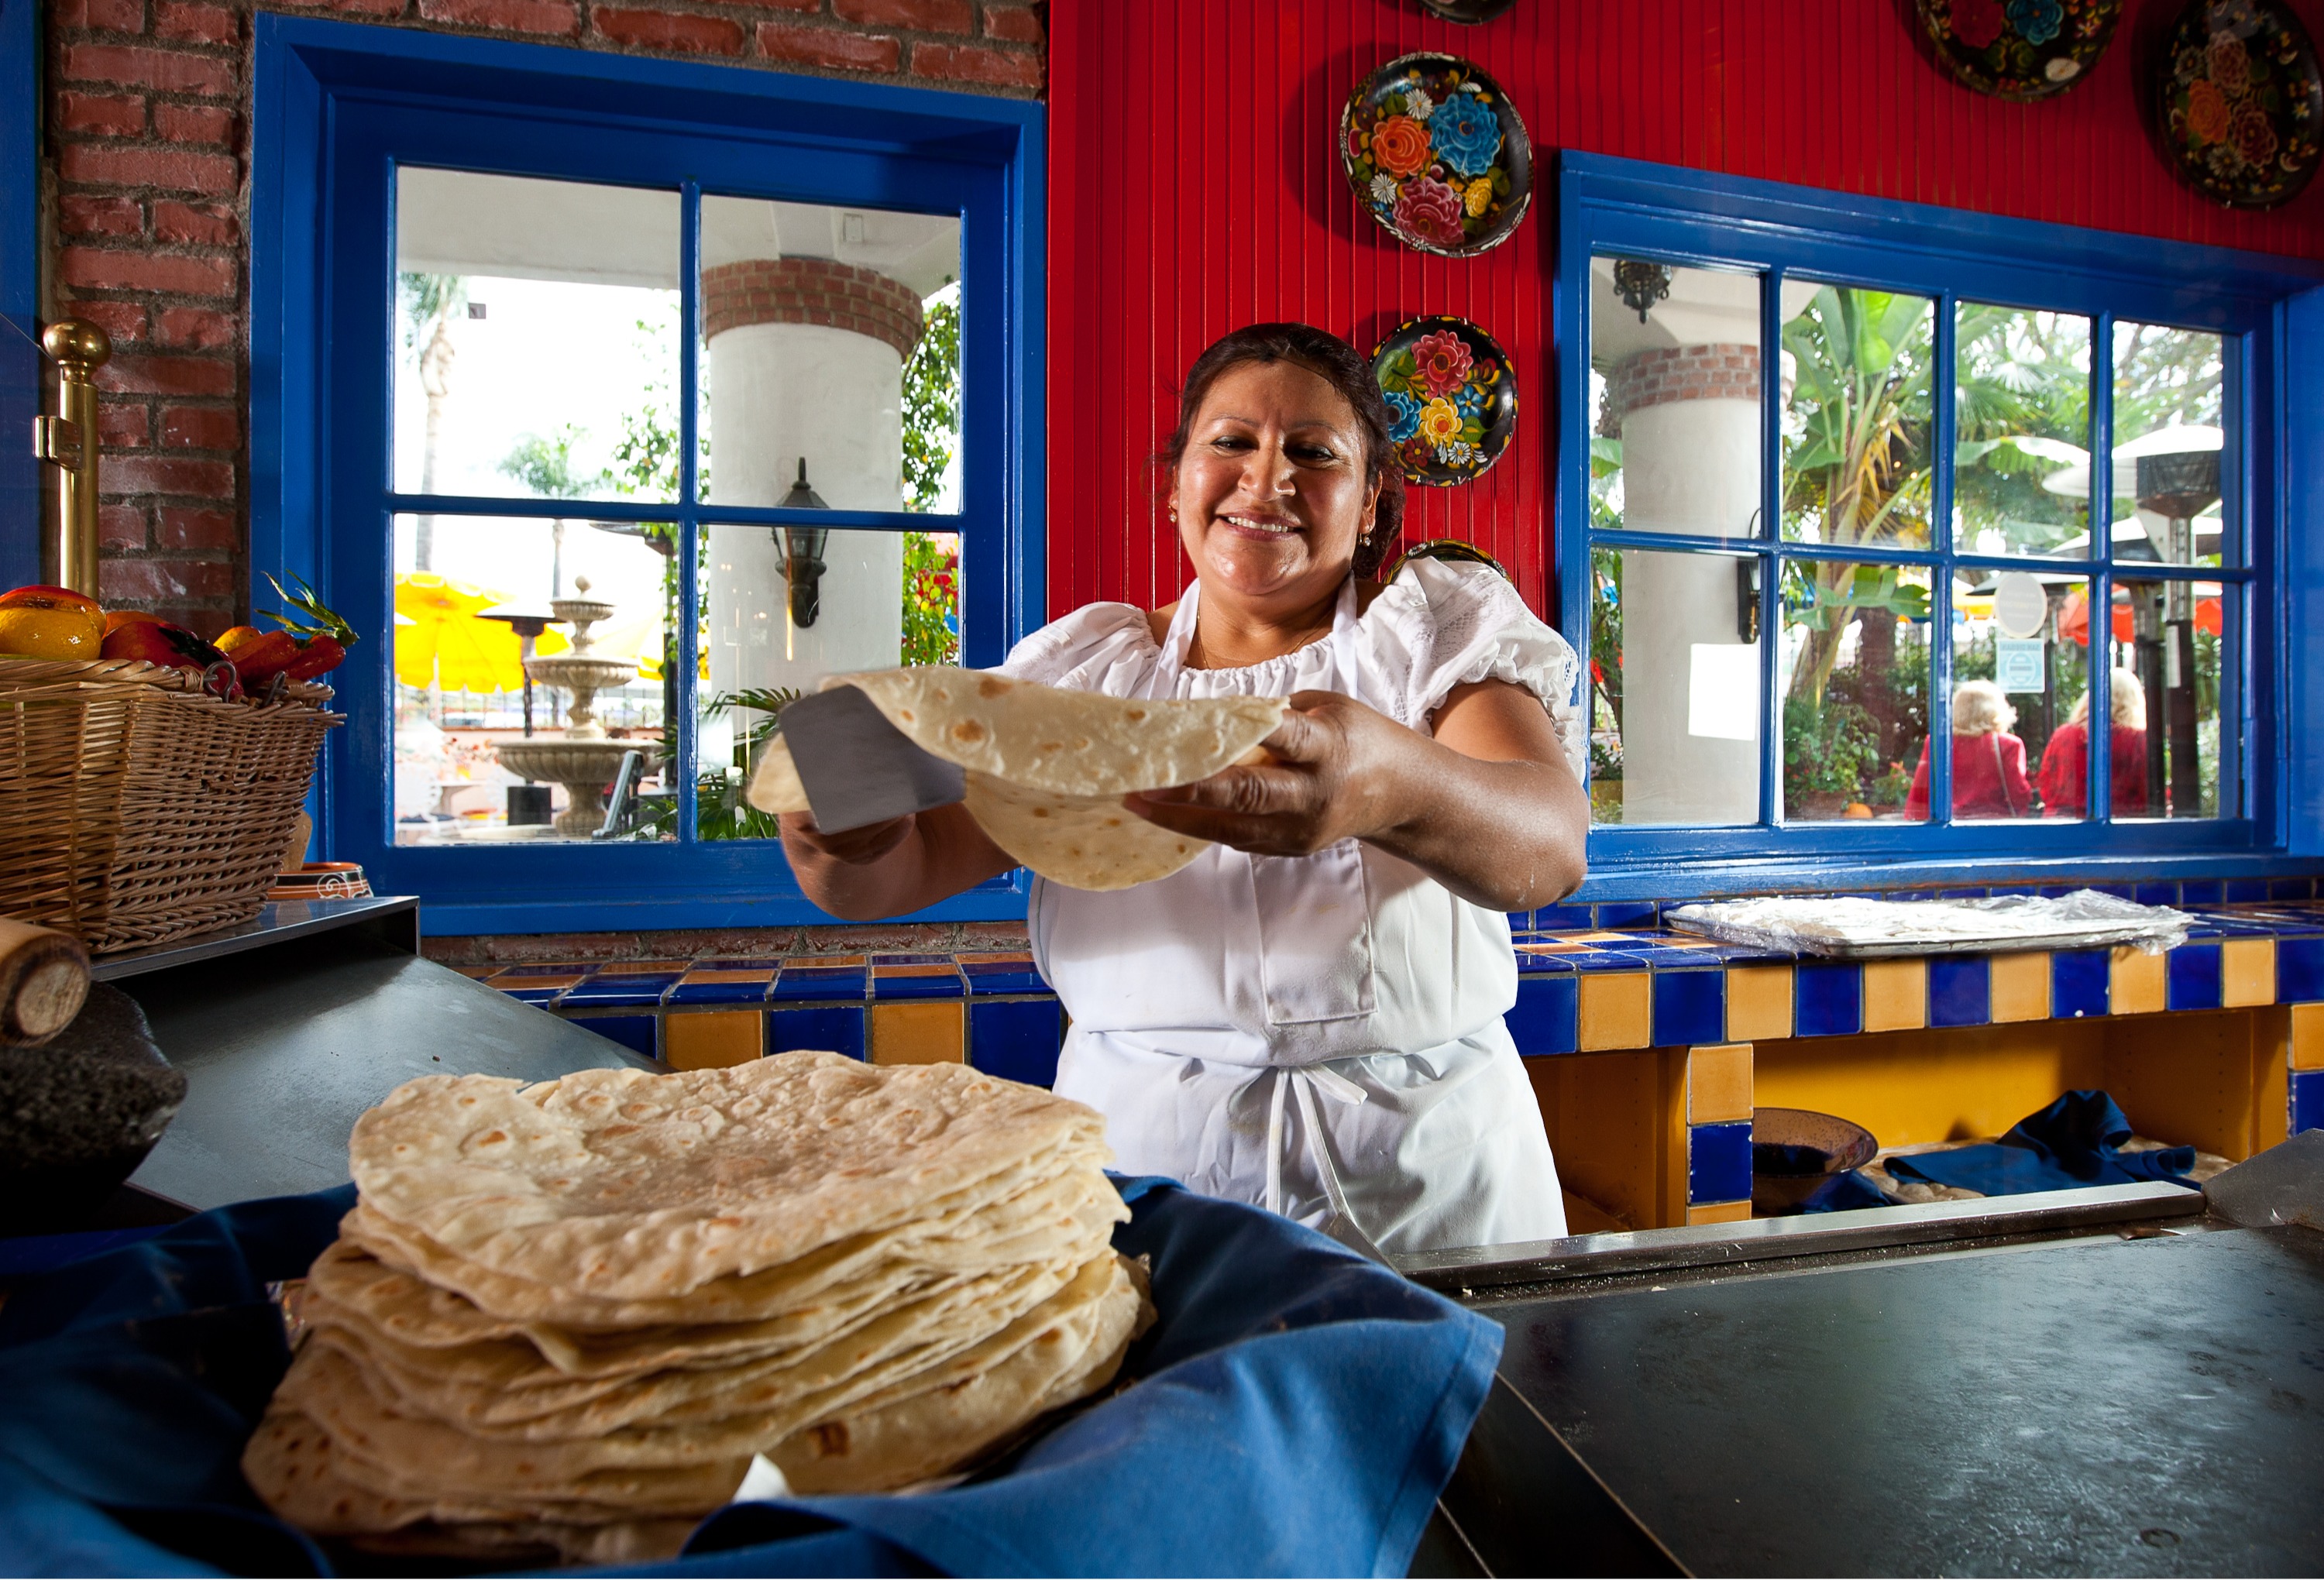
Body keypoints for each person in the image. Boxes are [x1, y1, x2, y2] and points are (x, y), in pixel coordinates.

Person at [781, 322, 1590, 1255]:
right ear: (1176, 488)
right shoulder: (1087, 673)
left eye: (1314, 453)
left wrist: (1391, 786)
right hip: (1141, 1185)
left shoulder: (1437, 629)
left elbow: (1550, 843)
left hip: (1426, 1187)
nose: (1265, 479)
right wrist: (841, 838)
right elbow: (899, 869)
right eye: (1231, 443)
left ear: (1370, 502)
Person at [1903, 678, 2035, 819]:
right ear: (1996, 711)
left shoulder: (1937, 743)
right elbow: (2019, 796)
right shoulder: (2008, 745)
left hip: (1947, 830)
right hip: (1995, 830)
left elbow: (1920, 794)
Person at [2035, 669, 2149, 818]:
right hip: (2119, 830)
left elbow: (2046, 783)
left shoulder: (2063, 735)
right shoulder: (2137, 739)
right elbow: (2145, 790)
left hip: (2061, 827)